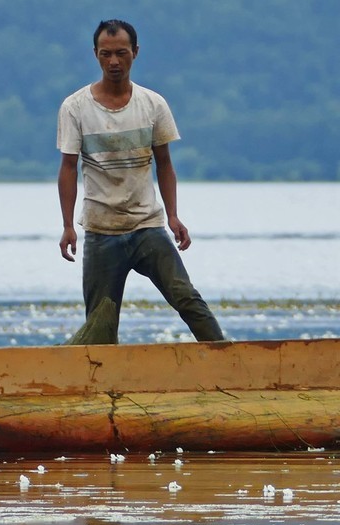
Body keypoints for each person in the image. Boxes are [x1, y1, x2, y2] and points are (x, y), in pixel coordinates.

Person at [57, 19, 225, 344]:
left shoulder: (152, 104)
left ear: (135, 52)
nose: (114, 62)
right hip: (101, 230)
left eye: (121, 53)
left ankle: (230, 362)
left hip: (146, 227)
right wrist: (67, 225)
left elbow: (164, 164)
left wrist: (173, 216)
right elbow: (67, 168)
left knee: (186, 297)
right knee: (100, 323)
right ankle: (102, 385)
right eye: (106, 54)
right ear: (96, 55)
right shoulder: (75, 108)